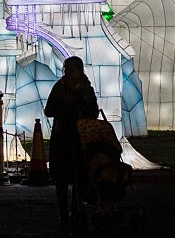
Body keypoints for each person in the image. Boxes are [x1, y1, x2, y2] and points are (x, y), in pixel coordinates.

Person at [44, 56, 100, 228]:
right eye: (66, 69)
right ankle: (63, 211)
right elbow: (49, 110)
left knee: (80, 176)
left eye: (71, 69)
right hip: (62, 137)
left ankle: (76, 209)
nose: (68, 72)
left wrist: (80, 104)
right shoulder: (59, 88)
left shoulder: (86, 89)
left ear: (79, 70)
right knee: (61, 177)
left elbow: (94, 112)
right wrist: (63, 105)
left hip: (80, 138)